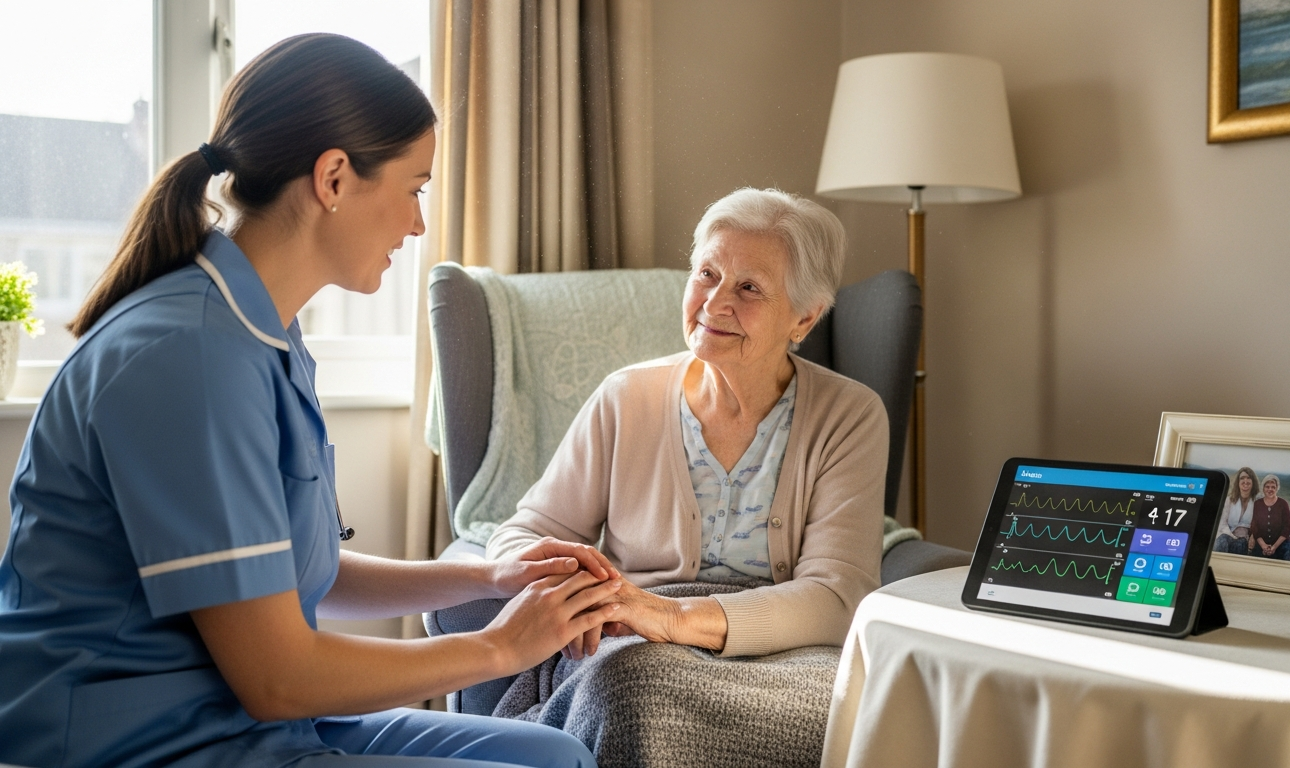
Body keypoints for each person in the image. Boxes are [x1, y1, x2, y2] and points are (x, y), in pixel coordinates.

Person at [0, 34, 624, 768]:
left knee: (553, 756)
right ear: (333, 178)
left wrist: (489, 575)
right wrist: (500, 646)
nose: (418, 224)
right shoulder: (189, 357)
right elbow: (278, 676)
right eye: (414, 189)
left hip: (240, 718)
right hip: (147, 742)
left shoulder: (262, 332)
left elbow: (294, 574)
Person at [487, 187, 886, 659]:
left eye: (749, 288)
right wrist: (581, 592)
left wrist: (674, 618)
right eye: (707, 274)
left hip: (784, 655)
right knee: (630, 680)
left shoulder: (849, 417)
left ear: (804, 318)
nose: (714, 304)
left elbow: (837, 600)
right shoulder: (625, 398)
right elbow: (525, 535)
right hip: (635, 643)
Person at [1250, 474, 1290, 560]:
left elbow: (1287, 528)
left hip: (1281, 543)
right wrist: (1263, 546)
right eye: (1267, 487)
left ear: (1277, 488)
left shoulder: (1283, 504)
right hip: (1262, 543)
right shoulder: (1257, 504)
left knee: (1286, 550)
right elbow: (1254, 527)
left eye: (1273, 487)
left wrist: (1274, 547)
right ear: (1263, 488)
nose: (1270, 489)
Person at [1214, 467, 1257, 555]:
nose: (1245, 481)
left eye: (1248, 478)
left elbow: (1260, 523)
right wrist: (1233, 537)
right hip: (1227, 535)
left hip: (1244, 539)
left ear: (1253, 482)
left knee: (1241, 544)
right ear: (1238, 482)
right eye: (1242, 478)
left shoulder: (1257, 501)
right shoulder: (1229, 500)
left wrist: (1253, 536)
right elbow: (1222, 524)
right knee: (1221, 541)